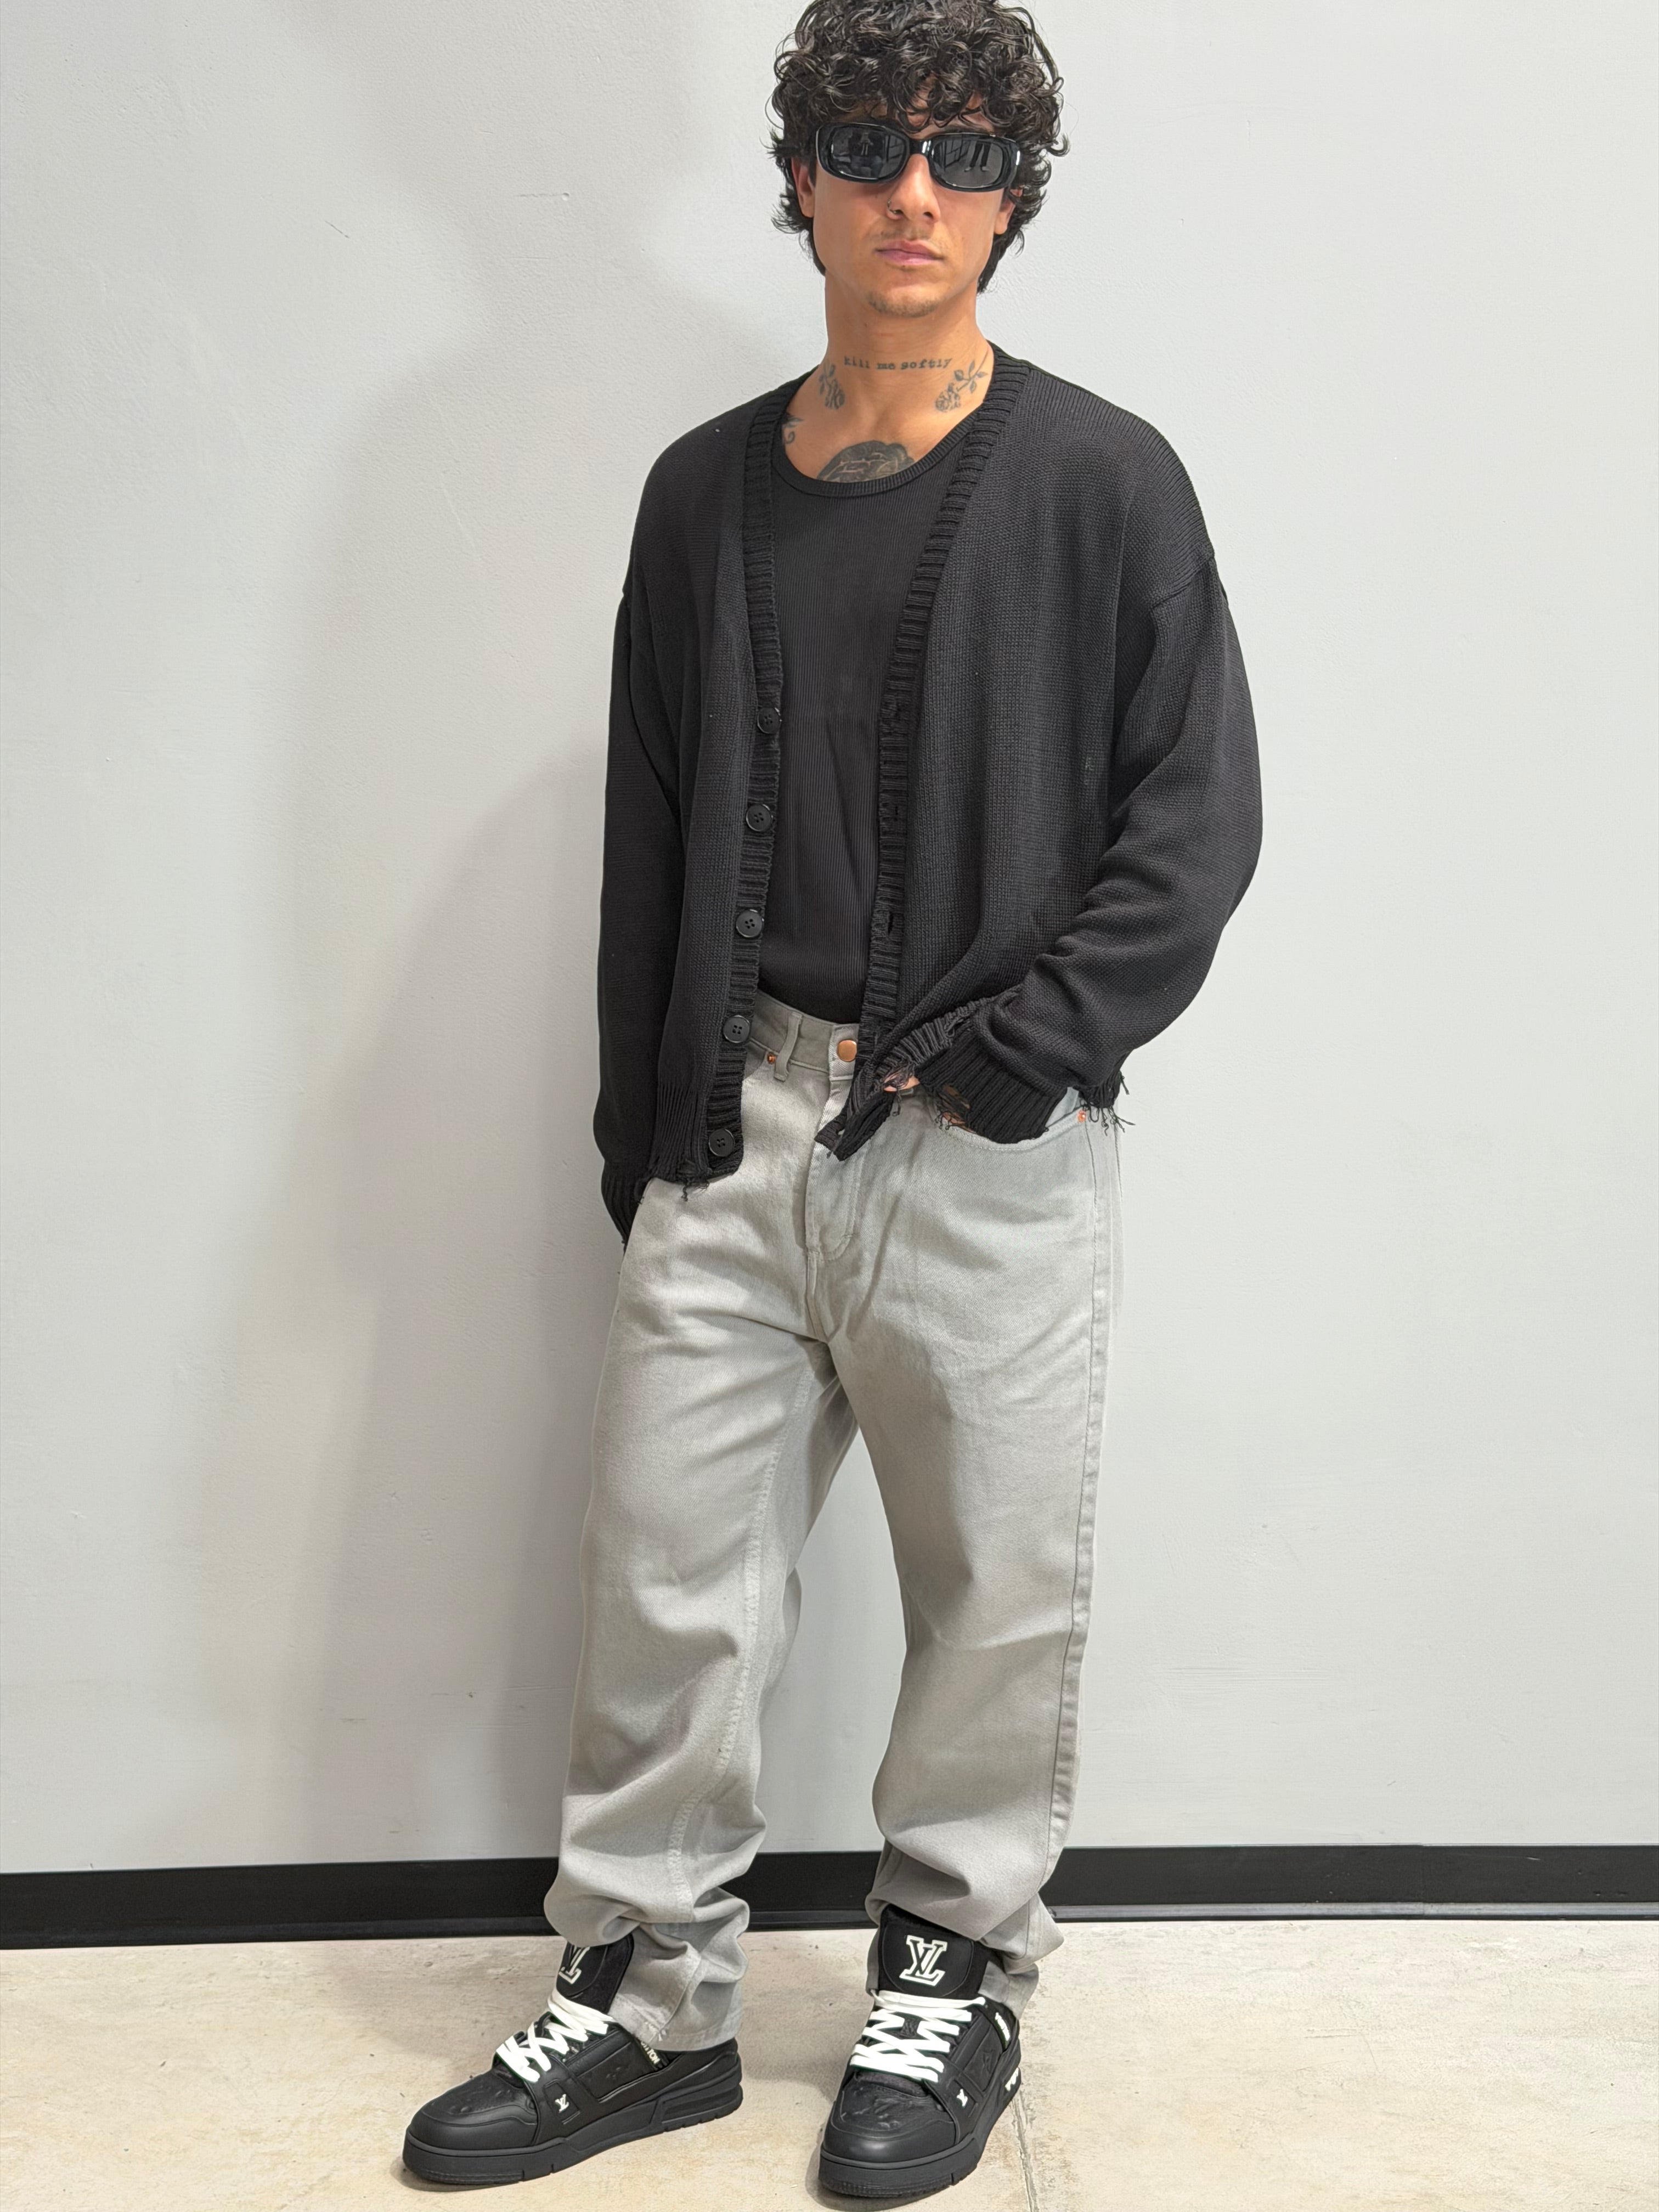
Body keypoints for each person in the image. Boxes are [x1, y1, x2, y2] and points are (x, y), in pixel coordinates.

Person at [402, 0, 1261, 2195]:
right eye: (868, 145)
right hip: (736, 1121)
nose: (914, 192)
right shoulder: (702, 493)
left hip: (987, 1140)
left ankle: (953, 1981)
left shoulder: (1105, 483)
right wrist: (648, 1131)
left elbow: (1195, 825)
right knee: (665, 1587)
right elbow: (654, 829)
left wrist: (1018, 1058)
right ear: (798, 177)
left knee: (997, 1594)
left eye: (965, 154)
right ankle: (650, 2002)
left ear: (1017, 196)